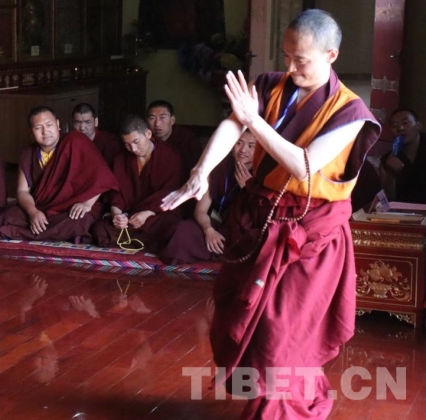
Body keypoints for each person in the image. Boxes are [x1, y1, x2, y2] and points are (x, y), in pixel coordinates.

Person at [160, 10, 381, 418]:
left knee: (284, 330)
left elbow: (303, 165)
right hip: (261, 219)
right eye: (286, 56)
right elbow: (233, 124)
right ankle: (296, 398)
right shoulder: (269, 84)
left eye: (302, 60)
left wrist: (254, 121)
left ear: (331, 55)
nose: (291, 68)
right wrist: (201, 172)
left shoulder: (351, 112)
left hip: (309, 235)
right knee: (246, 318)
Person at [0, 106, 118, 242]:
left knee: (79, 222)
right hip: (42, 206)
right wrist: (33, 212)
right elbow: (22, 191)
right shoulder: (28, 153)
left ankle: (26, 233)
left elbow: (103, 177)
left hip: (72, 207)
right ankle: (43, 233)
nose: (45, 131)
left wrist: (87, 204)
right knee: (8, 217)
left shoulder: (75, 141)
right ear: (31, 131)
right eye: (38, 128)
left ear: (58, 125)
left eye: (49, 125)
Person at [92, 115, 183, 254]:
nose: (133, 149)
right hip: (130, 216)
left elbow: (171, 191)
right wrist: (117, 216)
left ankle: (139, 240)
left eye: (136, 142)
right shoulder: (121, 158)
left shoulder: (170, 156)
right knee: (100, 230)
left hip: (156, 215)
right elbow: (116, 192)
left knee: (172, 227)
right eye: (127, 144)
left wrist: (148, 213)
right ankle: (144, 241)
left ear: (148, 134)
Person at [161, 131, 256, 264]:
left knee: (249, 242)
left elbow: (261, 216)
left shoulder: (262, 174)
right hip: (214, 224)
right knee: (182, 230)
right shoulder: (218, 167)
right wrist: (209, 230)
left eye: (251, 146)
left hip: (239, 229)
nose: (243, 150)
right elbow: (200, 210)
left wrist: (249, 189)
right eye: (239, 143)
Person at [378, 109, 426, 203]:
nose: (400, 128)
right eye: (394, 126)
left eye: (405, 123)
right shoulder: (388, 160)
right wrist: (390, 175)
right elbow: (388, 200)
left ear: (419, 126)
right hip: (404, 210)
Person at [146, 99, 202, 181]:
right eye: (152, 118)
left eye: (162, 117)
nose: (157, 124)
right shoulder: (145, 139)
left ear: (172, 120)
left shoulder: (186, 139)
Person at [71, 102, 123, 168]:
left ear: (96, 122)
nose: (82, 128)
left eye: (87, 122)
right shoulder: (70, 143)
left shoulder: (109, 142)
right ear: (72, 123)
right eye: (78, 122)